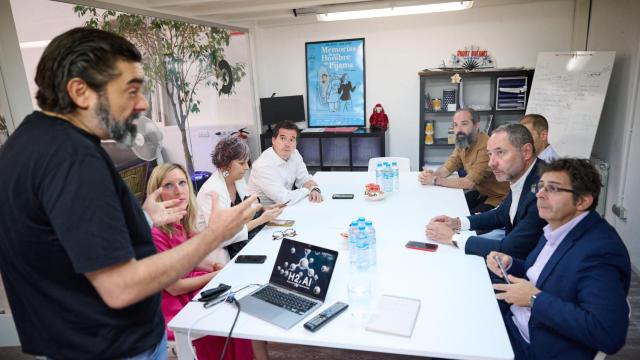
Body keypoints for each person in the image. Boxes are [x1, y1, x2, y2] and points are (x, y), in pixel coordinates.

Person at [0, 27, 258, 359]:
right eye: (131, 90)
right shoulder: (75, 159)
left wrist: (143, 219)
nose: (143, 103)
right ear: (81, 91)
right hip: (113, 348)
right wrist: (214, 235)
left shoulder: (24, 144)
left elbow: (62, 241)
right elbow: (121, 288)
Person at [488, 158, 631, 359]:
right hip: (513, 320)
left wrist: (533, 299)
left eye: (553, 189)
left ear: (582, 201)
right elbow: (545, 274)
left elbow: (608, 333)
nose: (539, 194)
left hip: (531, 347)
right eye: (541, 186)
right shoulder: (558, 226)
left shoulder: (600, 252)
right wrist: (511, 263)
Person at [148, 163, 256, 360]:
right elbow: (175, 287)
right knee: (222, 321)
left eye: (182, 183)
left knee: (236, 310)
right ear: (156, 194)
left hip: (189, 287)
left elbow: (188, 259)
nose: (178, 190)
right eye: (169, 185)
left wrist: (208, 267)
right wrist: (215, 275)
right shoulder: (156, 234)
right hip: (173, 303)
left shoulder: (181, 222)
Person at [426, 123, 547, 260]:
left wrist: (453, 237)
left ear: (526, 152)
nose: (491, 163)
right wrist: (457, 222)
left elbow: (511, 249)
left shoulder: (544, 189)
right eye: (490, 154)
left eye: (500, 152)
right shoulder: (525, 175)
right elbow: (501, 214)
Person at [197, 136, 283, 264]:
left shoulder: (237, 180)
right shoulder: (211, 191)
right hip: (217, 250)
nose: (247, 168)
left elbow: (245, 208)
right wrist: (261, 219)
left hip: (237, 240)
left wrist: (263, 208)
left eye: (247, 162)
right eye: (242, 163)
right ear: (225, 164)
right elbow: (222, 237)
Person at [419, 108, 509, 214]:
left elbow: (468, 183)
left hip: (497, 197)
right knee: (448, 208)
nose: (459, 129)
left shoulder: (486, 147)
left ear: (477, 125)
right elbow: (449, 166)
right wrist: (433, 174)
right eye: (456, 125)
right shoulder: (464, 141)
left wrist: (435, 180)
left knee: (466, 221)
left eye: (464, 124)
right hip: (481, 192)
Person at [248, 121, 323, 205]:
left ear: (296, 143)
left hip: (284, 207)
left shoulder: (294, 154)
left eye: (291, 139)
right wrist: (308, 190)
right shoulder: (263, 165)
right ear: (273, 140)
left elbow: (305, 179)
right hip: (263, 213)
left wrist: (314, 189)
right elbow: (284, 199)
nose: (287, 144)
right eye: (283, 138)